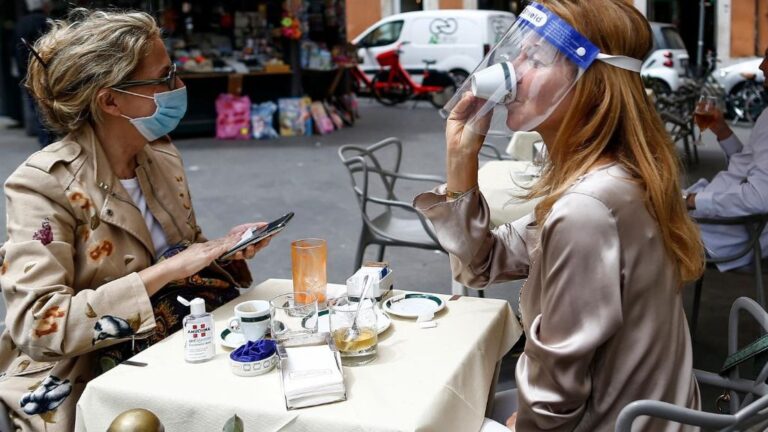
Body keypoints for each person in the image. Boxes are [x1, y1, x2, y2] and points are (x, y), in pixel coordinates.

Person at [414, 1, 704, 431]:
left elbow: (551, 406)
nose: (511, 71)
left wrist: (522, 423)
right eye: (516, 52)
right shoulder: (614, 177)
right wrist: (461, 158)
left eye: (535, 58)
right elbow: (482, 263)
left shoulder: (588, 206)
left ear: (593, 82)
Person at [0, 9, 272, 431]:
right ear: (110, 100)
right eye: (164, 79)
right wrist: (167, 270)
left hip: (182, 350)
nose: (179, 88)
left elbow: (185, 259)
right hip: (93, 383)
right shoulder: (43, 184)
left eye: (176, 73)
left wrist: (224, 249)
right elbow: (38, 326)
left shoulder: (160, 156)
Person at [685, 47, 768, 271]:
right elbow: (748, 167)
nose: (761, 67)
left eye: (767, 58)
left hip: (724, 235)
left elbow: (759, 198)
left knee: (634, 229)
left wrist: (693, 200)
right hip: (717, 223)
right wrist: (722, 131)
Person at [14, 0, 56, 147]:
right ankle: (47, 139)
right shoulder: (45, 21)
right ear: (44, 6)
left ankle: (44, 139)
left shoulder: (21, 23)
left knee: (36, 106)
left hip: (26, 71)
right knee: (46, 106)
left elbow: (16, 49)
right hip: (44, 71)